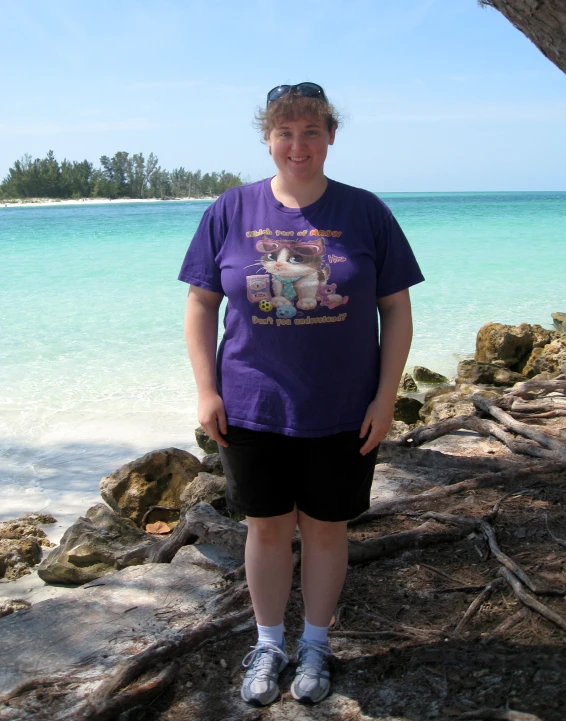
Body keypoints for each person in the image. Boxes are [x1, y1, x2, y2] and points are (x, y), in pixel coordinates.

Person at [179, 82, 424, 707]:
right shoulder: (229, 210)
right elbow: (201, 303)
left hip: (343, 406)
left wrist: (385, 397)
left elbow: (395, 309)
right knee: (264, 528)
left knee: (325, 529)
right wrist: (207, 389)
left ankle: (315, 642)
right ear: (268, 138)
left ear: (330, 137)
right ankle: (268, 642)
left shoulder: (366, 211)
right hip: (251, 404)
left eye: (311, 131)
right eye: (285, 131)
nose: (298, 144)